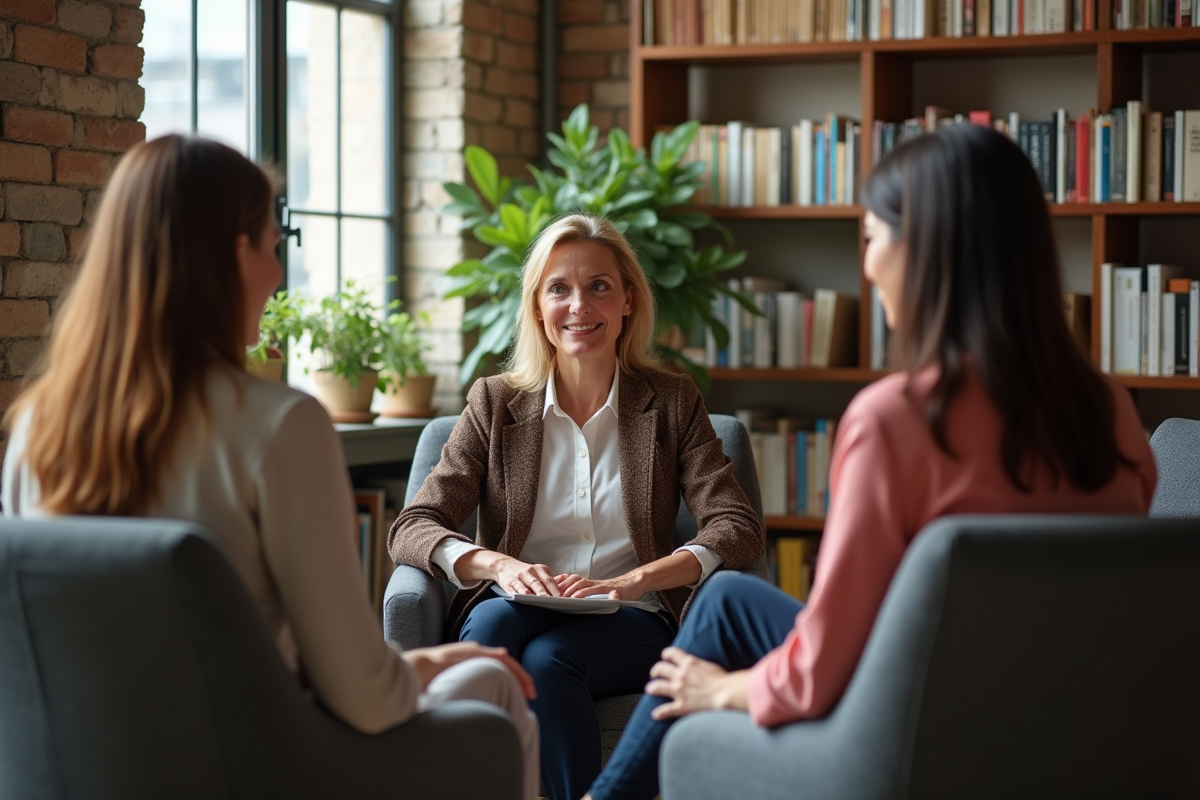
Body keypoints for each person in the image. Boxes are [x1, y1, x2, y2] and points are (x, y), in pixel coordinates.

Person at [581, 123, 1159, 800]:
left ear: (925, 250)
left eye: (871, 239)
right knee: (728, 598)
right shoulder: (1111, 409)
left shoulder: (897, 419)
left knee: (716, 627)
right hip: (1071, 729)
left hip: (916, 725)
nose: (867, 265)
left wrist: (729, 689)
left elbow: (826, 664)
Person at [0, 135, 541, 800]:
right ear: (237, 254)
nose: (279, 273)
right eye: (273, 245)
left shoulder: (35, 429)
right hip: (261, 768)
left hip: (85, 769)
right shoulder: (280, 424)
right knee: (491, 683)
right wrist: (432, 661)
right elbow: (364, 699)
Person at [388, 213, 765, 800]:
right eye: (558, 288)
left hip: (633, 617)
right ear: (538, 307)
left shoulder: (671, 402)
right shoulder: (495, 404)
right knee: (489, 623)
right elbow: (414, 526)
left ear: (627, 302)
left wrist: (638, 579)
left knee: (552, 659)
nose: (578, 306)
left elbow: (735, 527)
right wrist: (500, 567)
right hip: (516, 601)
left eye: (599, 286)